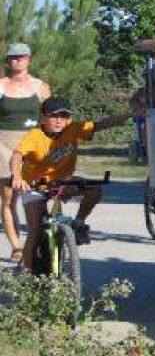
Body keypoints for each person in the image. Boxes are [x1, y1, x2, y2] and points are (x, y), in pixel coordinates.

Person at [10, 97, 138, 270]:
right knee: (34, 232)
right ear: (42, 118)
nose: (58, 120)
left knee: (94, 189)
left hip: (63, 181)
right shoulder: (34, 136)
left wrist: (129, 115)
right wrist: (17, 177)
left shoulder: (73, 129)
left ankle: (78, 223)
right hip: (34, 184)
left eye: (63, 116)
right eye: (53, 116)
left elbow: (101, 124)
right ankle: (27, 273)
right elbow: (17, 156)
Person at [0, 43, 51, 263]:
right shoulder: (1, 85)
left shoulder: (41, 87)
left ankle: (39, 237)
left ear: (29, 59)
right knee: (9, 198)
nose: (16, 60)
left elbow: (50, 117)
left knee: (38, 193)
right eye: (12, 57)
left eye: (20, 57)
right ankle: (16, 246)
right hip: (4, 143)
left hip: (33, 143)